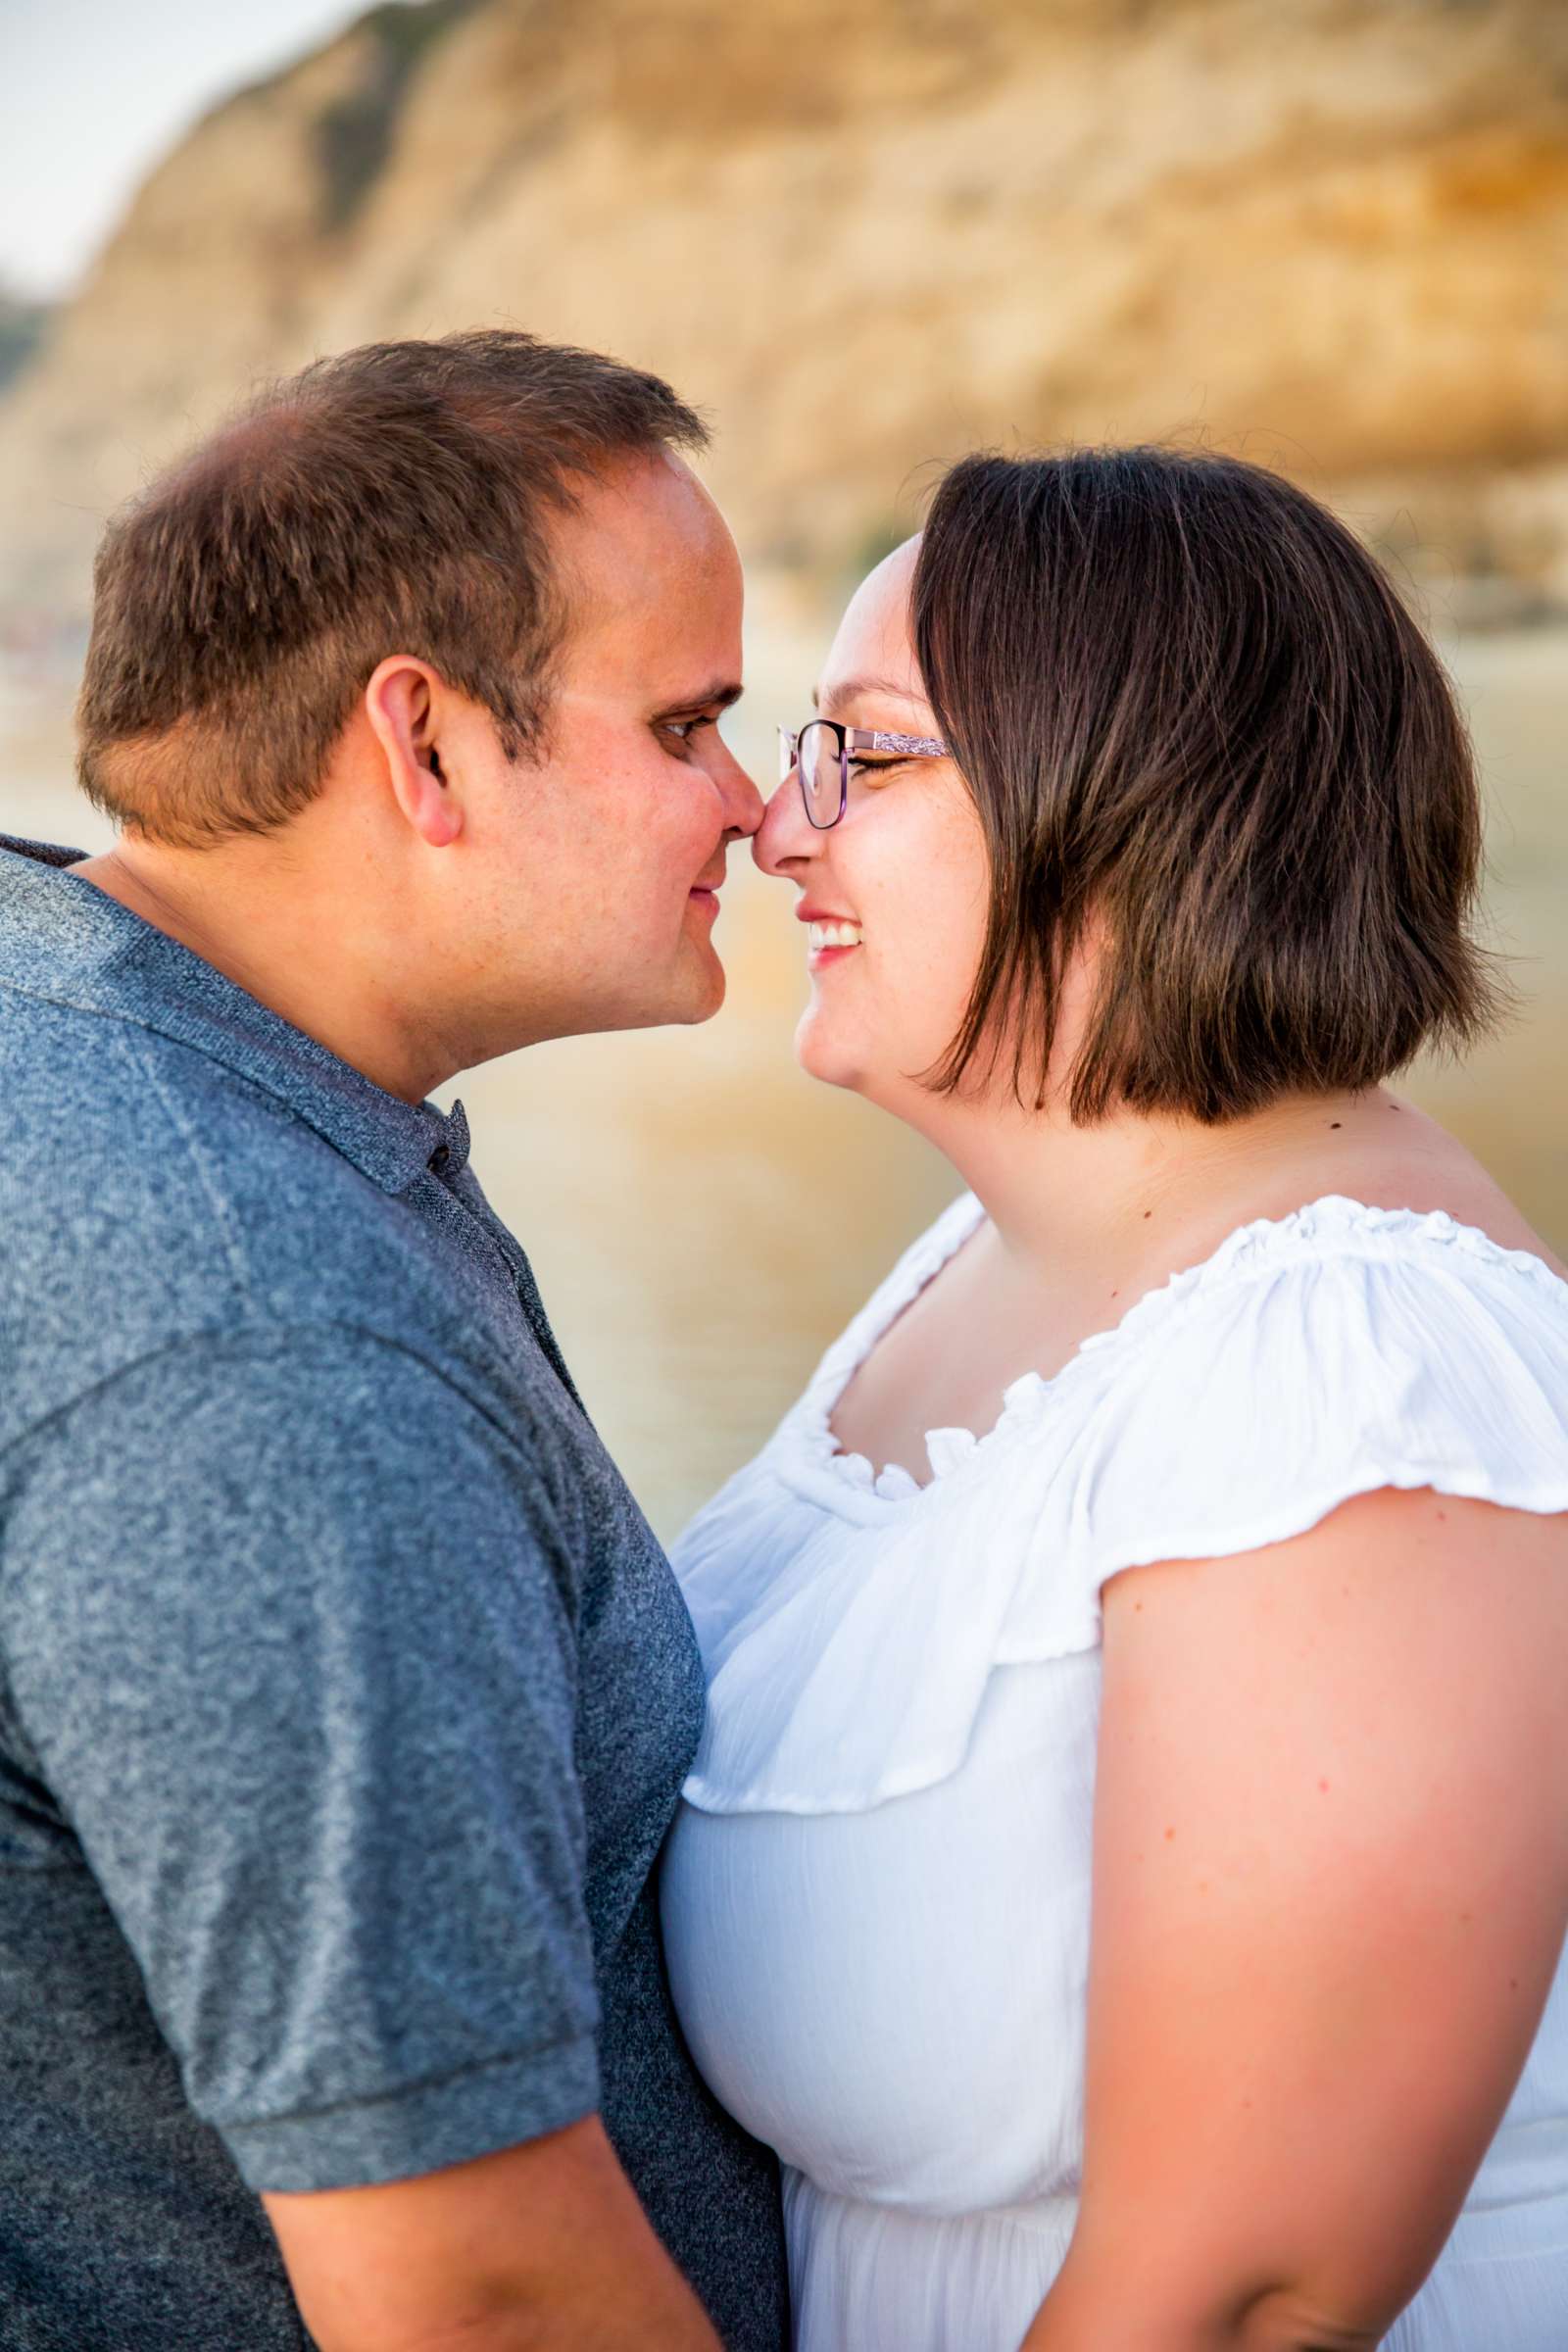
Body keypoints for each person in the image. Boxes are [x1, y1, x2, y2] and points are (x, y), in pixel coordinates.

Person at [660, 447, 1568, 2351]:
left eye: (868, 755)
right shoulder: (980, 1262)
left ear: (1134, 794)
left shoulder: (1352, 1374)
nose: (776, 830)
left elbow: (1243, 2292)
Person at [0, 331, 789, 2352]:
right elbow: (481, 2293)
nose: (754, 806)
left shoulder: (77, 1013)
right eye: (686, 721)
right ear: (421, 746)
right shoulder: (258, 1348)